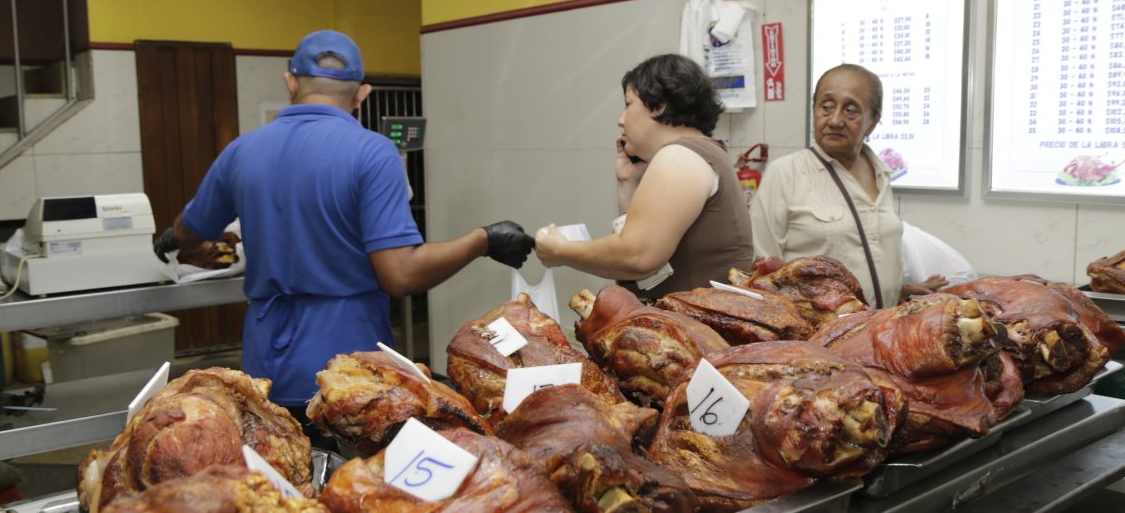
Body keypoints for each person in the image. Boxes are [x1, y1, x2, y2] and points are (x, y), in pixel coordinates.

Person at [153, 30, 534, 422]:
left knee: (279, 469)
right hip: (347, 369)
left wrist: (169, 238)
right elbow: (400, 274)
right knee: (344, 476)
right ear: (362, 94)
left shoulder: (241, 151)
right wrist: (482, 240)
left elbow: (190, 230)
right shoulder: (372, 153)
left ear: (291, 82)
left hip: (263, 367)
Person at [534, 53, 753, 299]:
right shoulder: (700, 153)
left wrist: (561, 250)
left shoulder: (679, 157)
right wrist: (629, 182)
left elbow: (637, 256)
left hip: (695, 328)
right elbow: (643, 245)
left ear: (659, 105)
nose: (620, 120)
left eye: (628, 105)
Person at [749, 63, 943, 308]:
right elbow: (762, 273)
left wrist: (895, 287)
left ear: (872, 122)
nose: (836, 120)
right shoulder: (785, 173)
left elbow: (866, 253)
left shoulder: (881, 172)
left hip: (881, 329)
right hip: (820, 336)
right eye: (826, 107)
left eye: (851, 111)